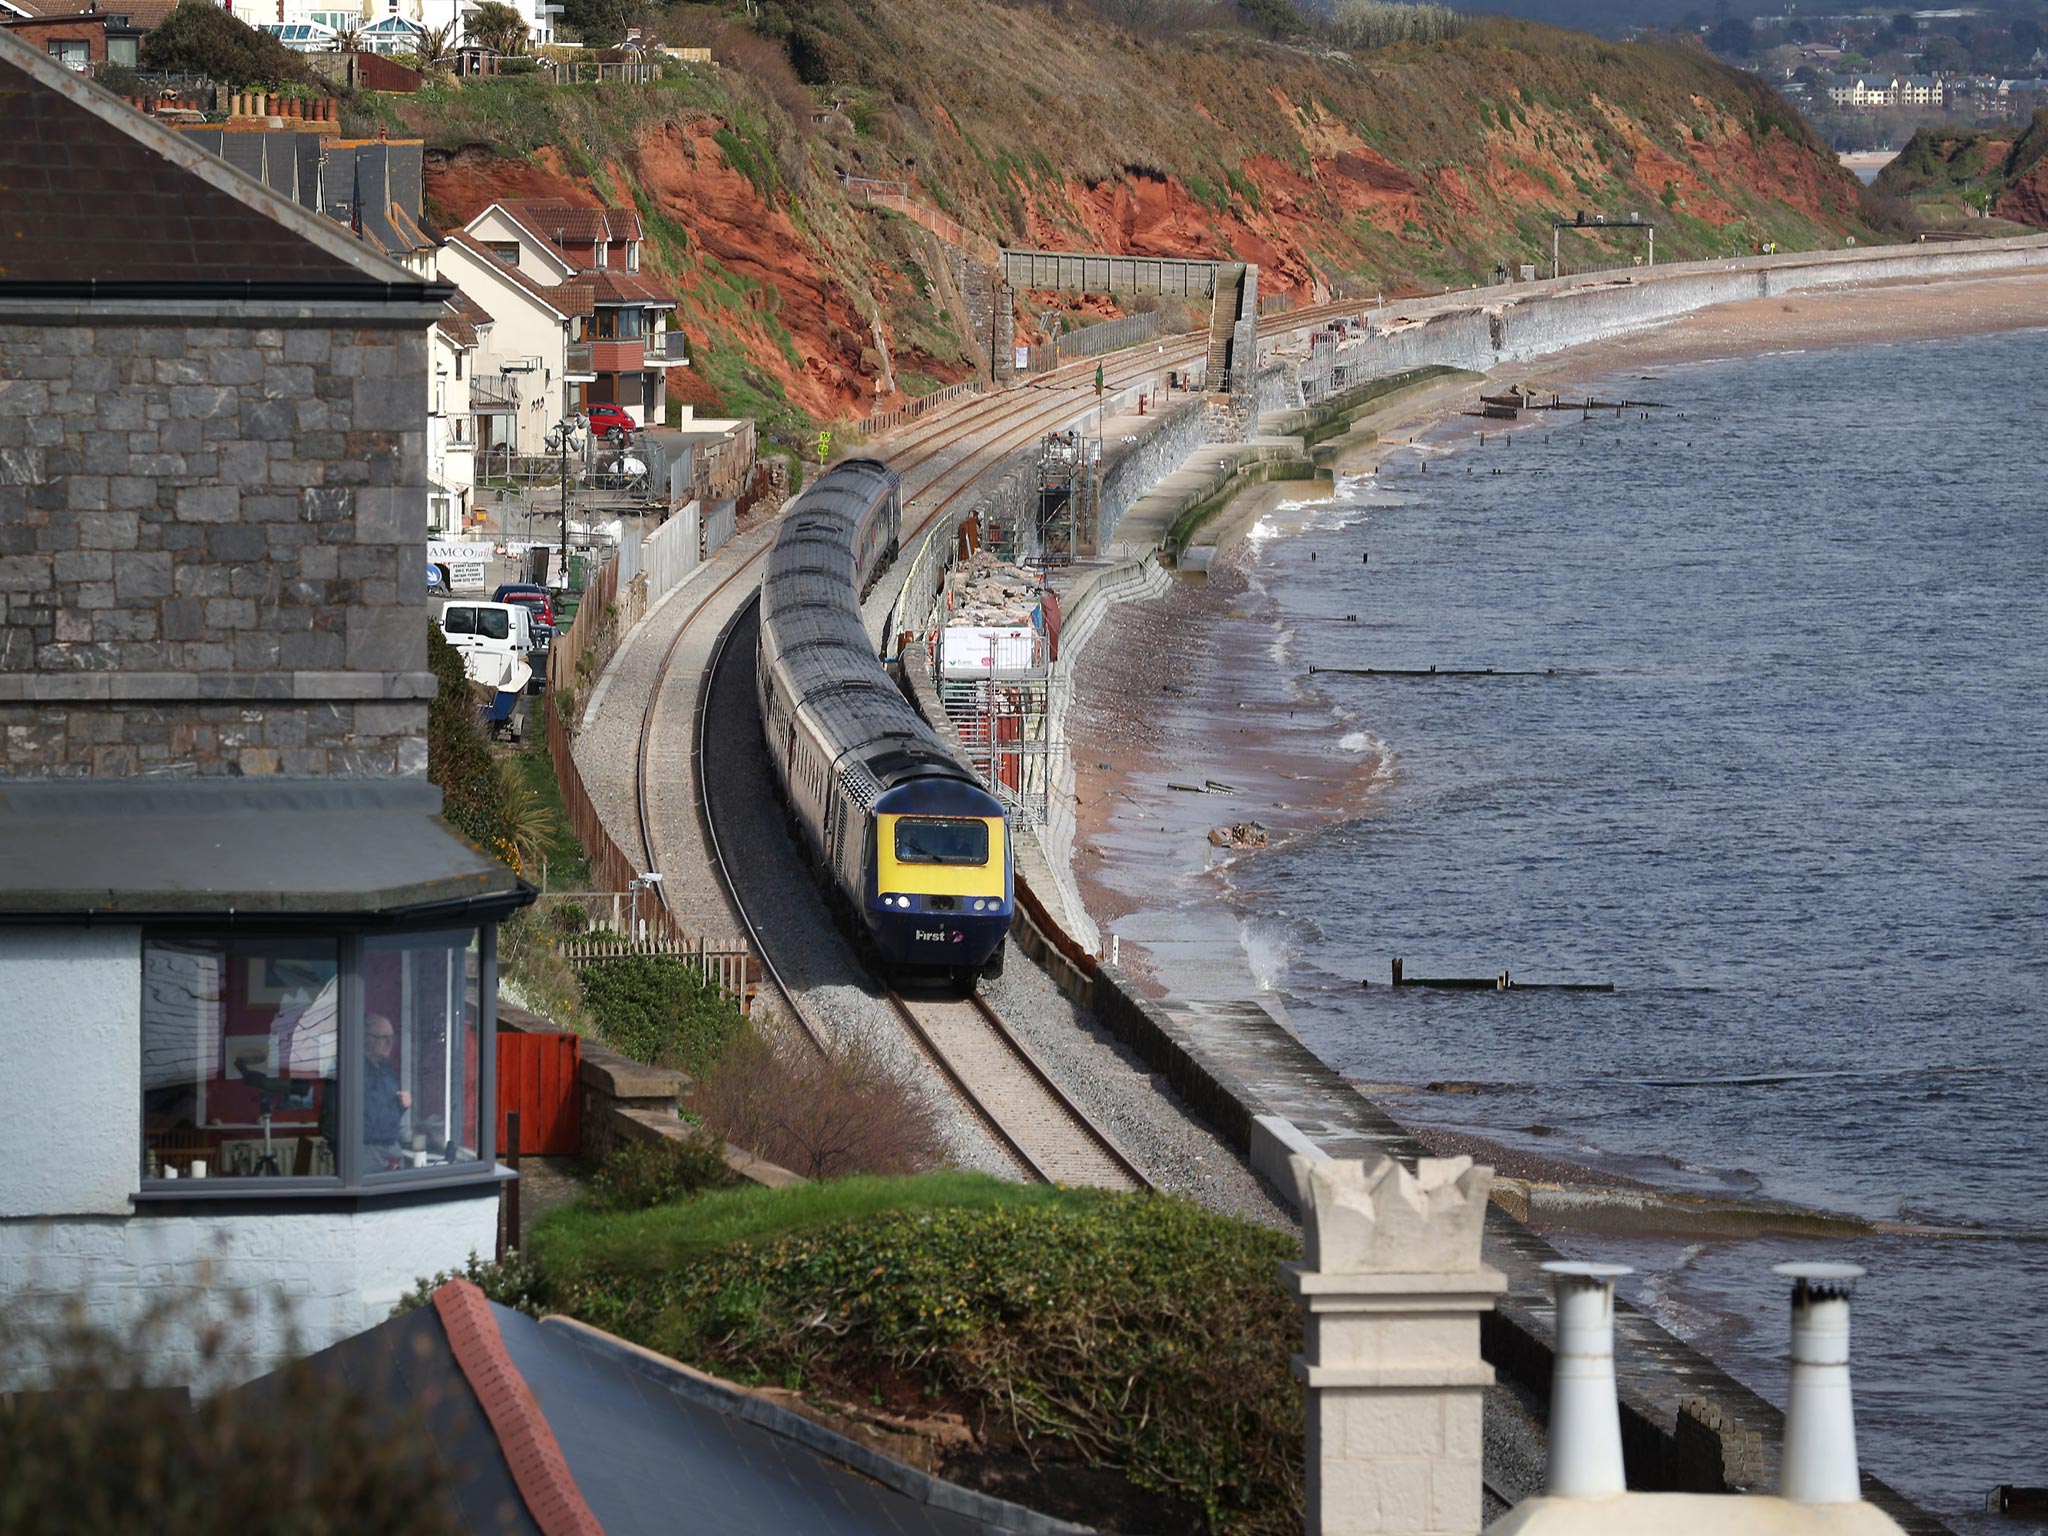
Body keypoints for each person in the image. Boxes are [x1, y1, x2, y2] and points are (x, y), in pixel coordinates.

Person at [362, 1012, 411, 1165]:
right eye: (383, 1038)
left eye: (392, 1037)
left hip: (391, 1145)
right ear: (367, 1039)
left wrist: (402, 1104)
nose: (390, 1043)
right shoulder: (353, 1068)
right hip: (366, 1149)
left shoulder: (385, 1066)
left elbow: (385, 1109)